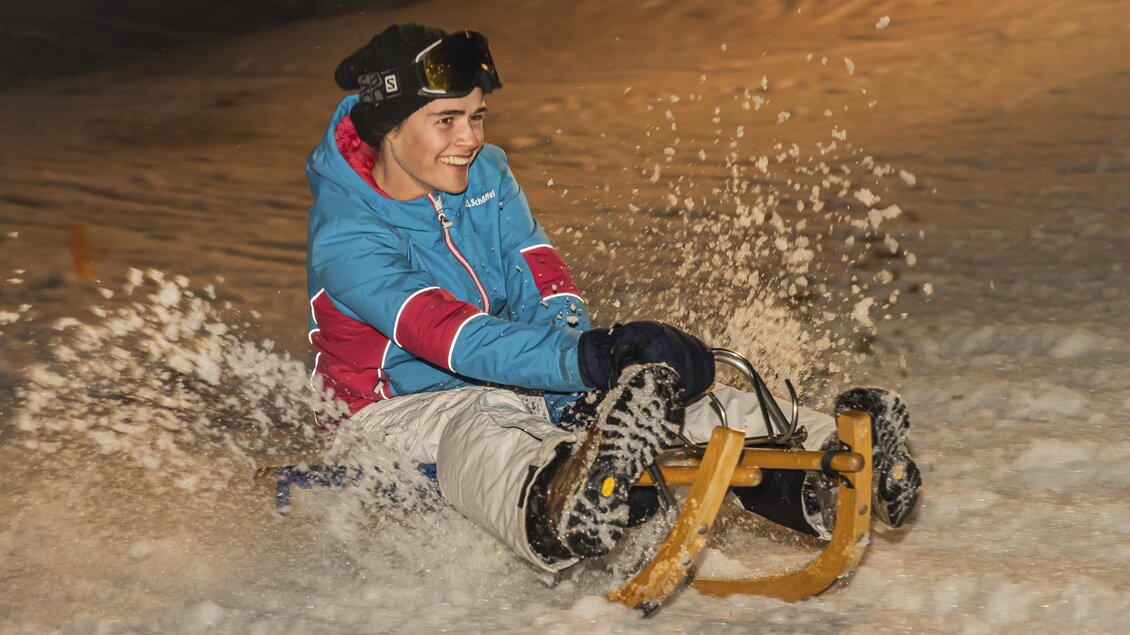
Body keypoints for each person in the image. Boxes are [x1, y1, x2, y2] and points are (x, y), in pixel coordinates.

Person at [305, 23, 921, 573]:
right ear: (388, 126)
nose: (468, 137)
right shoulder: (349, 237)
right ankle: (565, 499)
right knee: (482, 421)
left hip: (507, 376)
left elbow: (543, 278)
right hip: (389, 419)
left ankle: (829, 464)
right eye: (447, 119)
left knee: (667, 394)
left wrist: (590, 359)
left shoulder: (486, 175)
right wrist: (584, 360)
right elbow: (454, 337)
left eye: (478, 116)